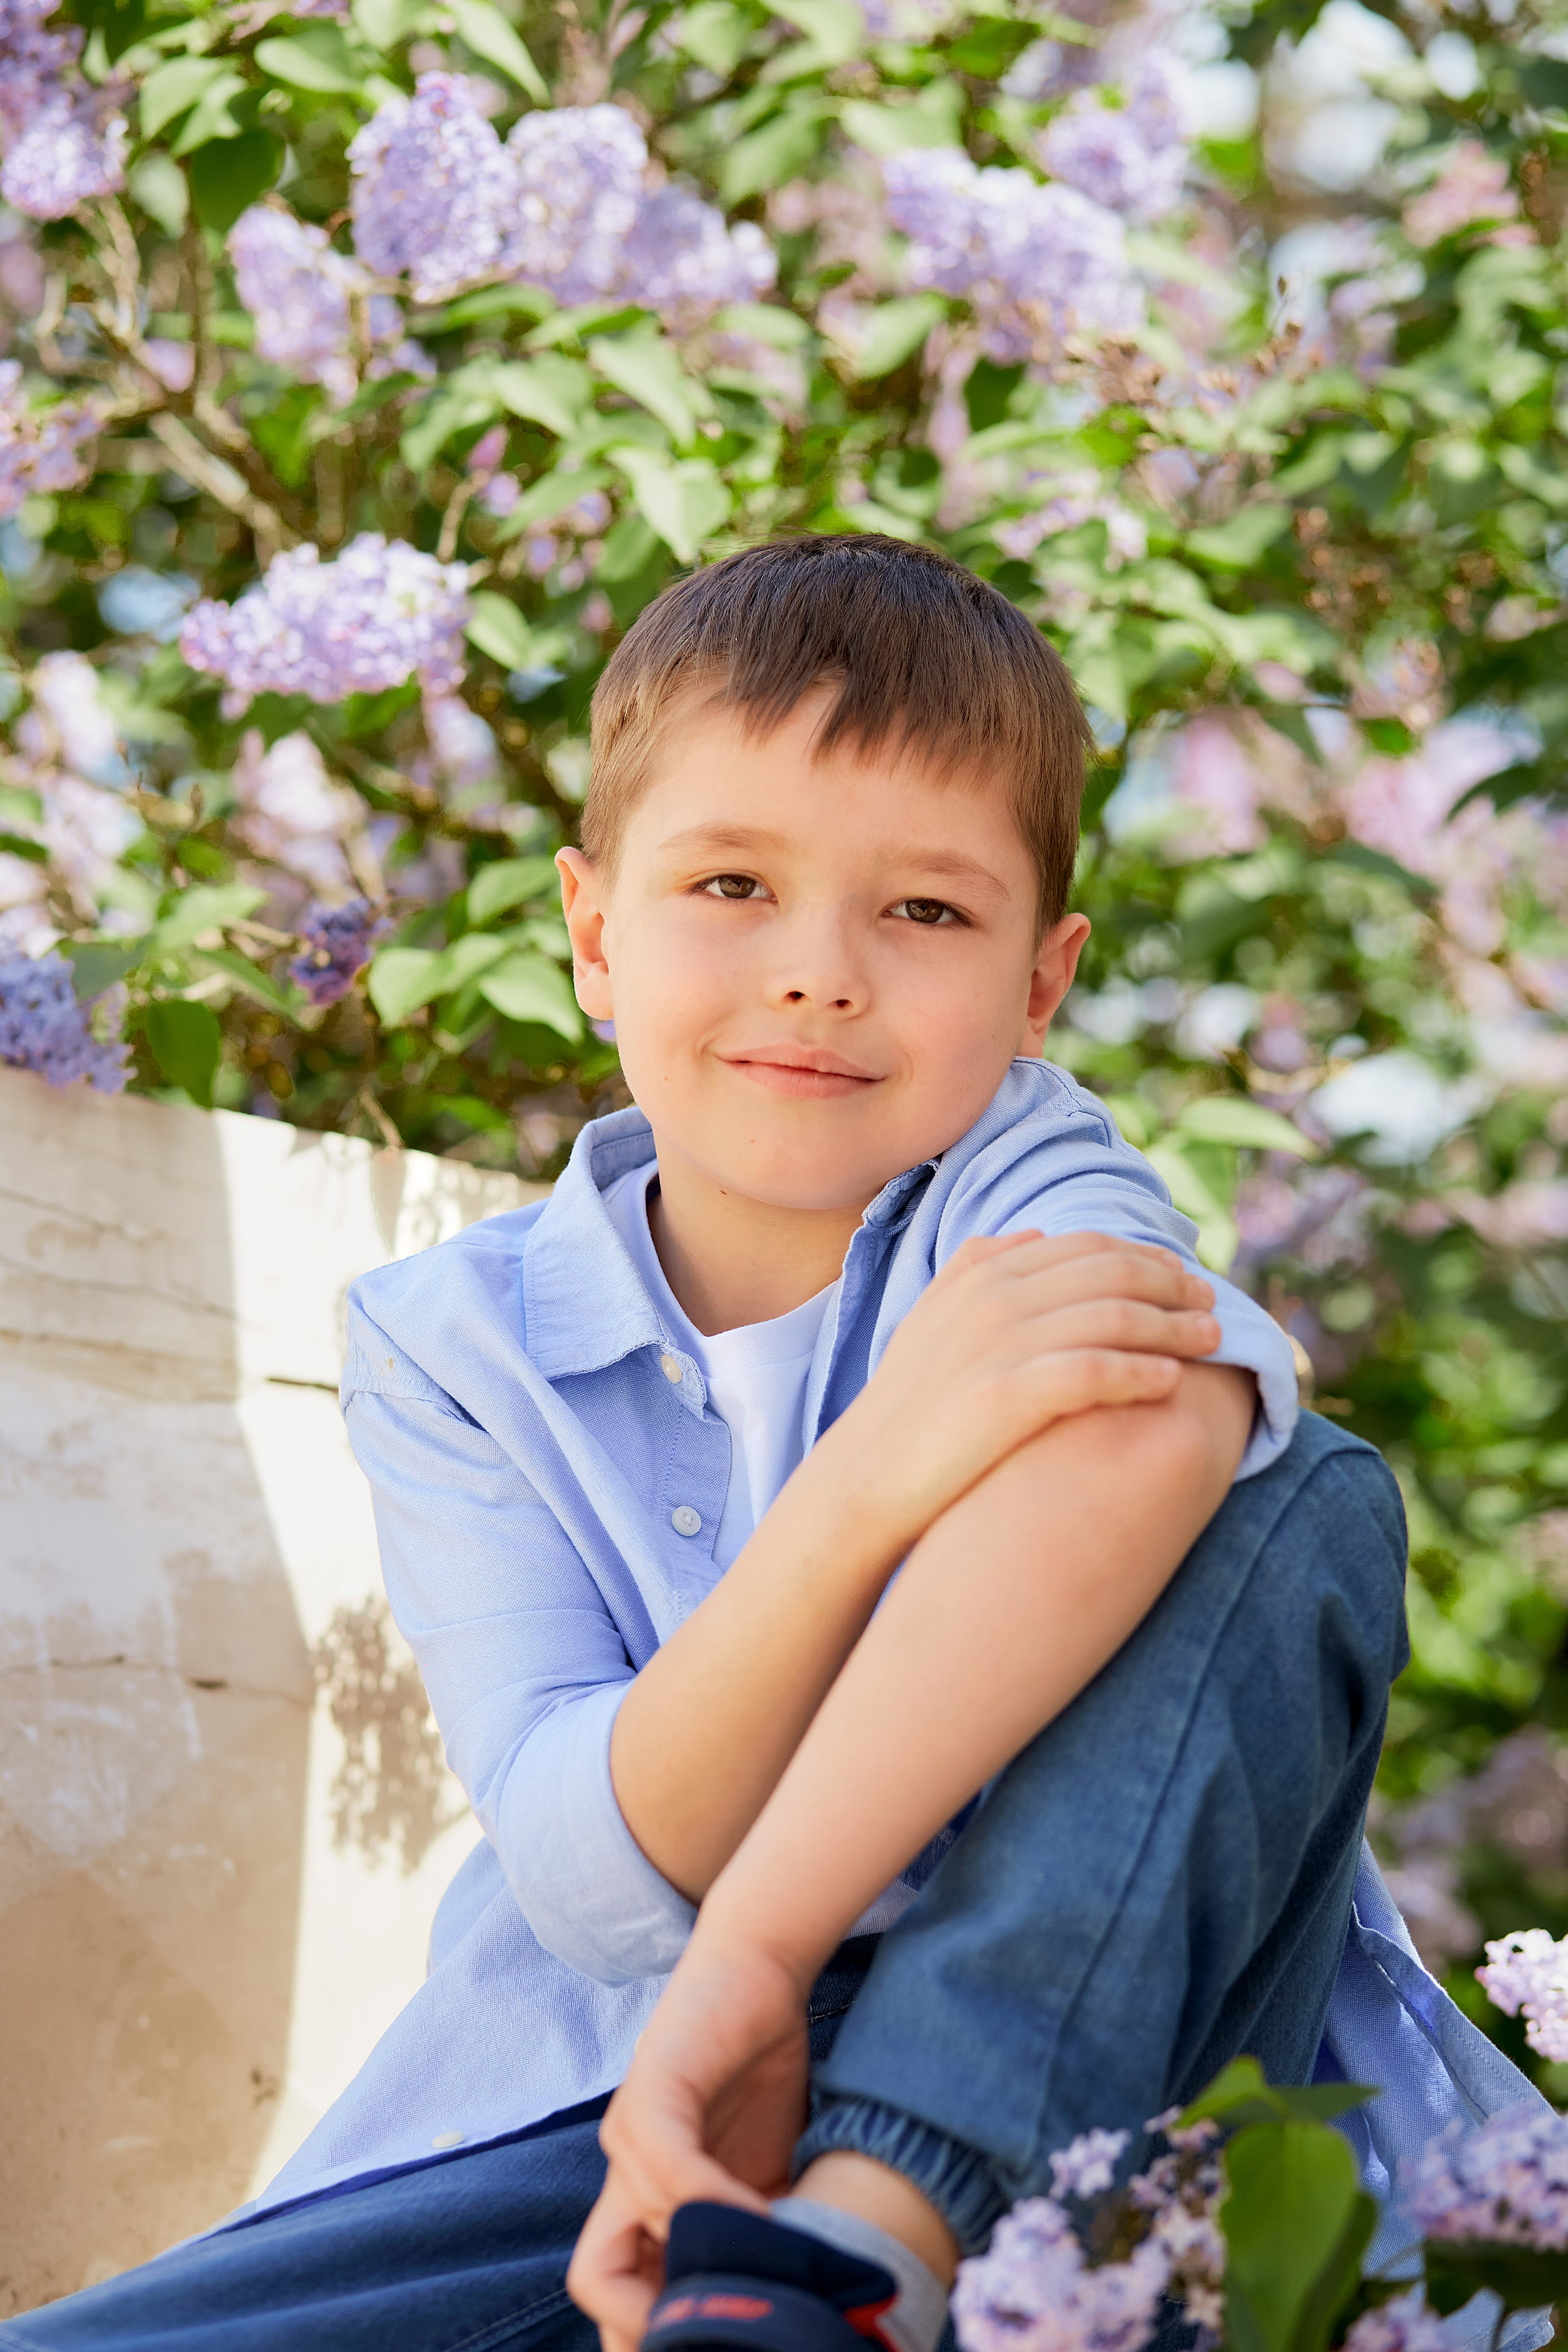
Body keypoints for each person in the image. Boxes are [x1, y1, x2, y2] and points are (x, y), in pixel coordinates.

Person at [7, 535, 1542, 2352]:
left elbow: (1193, 1455)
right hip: (592, 2123)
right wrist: (877, 1473)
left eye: (926, 914)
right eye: (733, 881)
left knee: (1287, 1485)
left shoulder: (1028, 1187)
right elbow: (588, 1881)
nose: (818, 973)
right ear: (593, 935)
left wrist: (758, 1944)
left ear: (1041, 987)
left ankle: (860, 2245)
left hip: (1093, 2076)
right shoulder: (453, 1344)